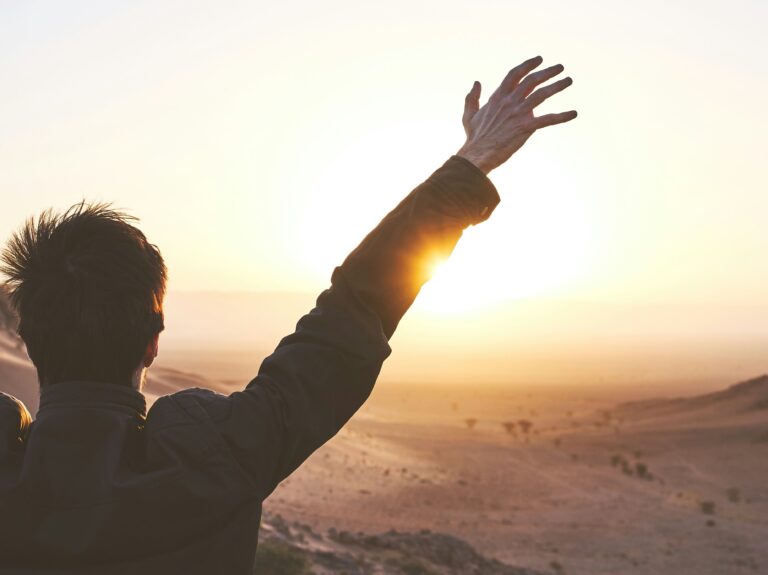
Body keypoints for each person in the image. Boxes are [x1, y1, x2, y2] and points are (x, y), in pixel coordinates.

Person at [0, 56, 575, 574]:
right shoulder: (216, 456)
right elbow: (358, 306)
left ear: (25, 337)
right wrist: (471, 163)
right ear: (153, 341)